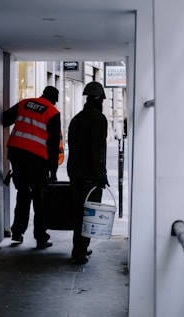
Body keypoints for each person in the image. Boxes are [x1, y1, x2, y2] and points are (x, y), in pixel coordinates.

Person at [3, 86, 61, 249]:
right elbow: (53, 145)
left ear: (42, 94)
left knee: (23, 193)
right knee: (39, 198)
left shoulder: (25, 103)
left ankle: (17, 232)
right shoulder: (52, 112)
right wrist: (53, 171)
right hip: (37, 159)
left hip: (16, 155)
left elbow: (5, 119)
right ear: (55, 100)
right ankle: (40, 237)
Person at [67, 81, 109, 264]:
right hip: (89, 174)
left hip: (74, 172)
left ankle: (79, 247)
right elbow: (98, 149)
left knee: (77, 211)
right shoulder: (99, 119)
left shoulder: (77, 118)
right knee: (89, 213)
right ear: (99, 99)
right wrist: (101, 174)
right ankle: (80, 251)